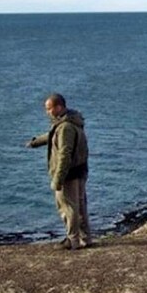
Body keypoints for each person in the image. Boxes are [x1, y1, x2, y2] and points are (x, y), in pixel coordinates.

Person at [27, 93, 91, 250]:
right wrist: (36, 142)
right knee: (80, 206)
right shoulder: (71, 121)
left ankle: (72, 239)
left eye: (49, 109)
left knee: (68, 207)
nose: (47, 112)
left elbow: (64, 153)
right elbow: (52, 135)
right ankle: (85, 238)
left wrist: (58, 179)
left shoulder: (65, 127)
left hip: (69, 173)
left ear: (59, 107)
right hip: (80, 170)